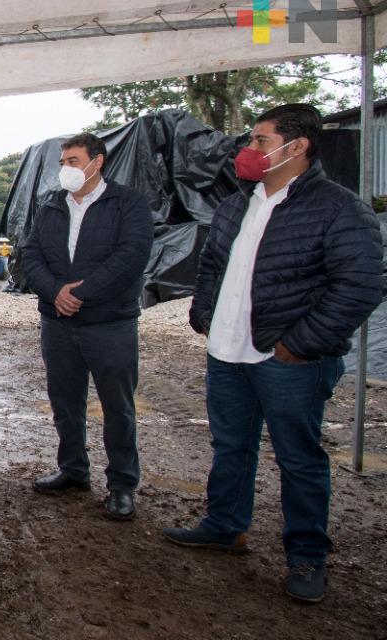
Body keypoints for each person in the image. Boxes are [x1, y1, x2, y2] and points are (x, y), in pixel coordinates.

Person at [162, 104, 384, 603]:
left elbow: (361, 285)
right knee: (230, 445)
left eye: (260, 142)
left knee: (299, 459)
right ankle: (225, 525)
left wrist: (299, 343)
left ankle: (306, 554)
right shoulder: (239, 203)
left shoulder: (338, 208)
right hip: (227, 353)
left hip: (290, 361)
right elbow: (212, 264)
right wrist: (204, 313)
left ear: (297, 146)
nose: (249, 152)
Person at [19, 132, 154, 521]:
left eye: (73, 161)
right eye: (62, 163)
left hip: (109, 325)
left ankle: (122, 484)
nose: (65, 169)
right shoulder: (51, 206)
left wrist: (83, 292)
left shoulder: (127, 204)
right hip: (58, 323)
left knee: (118, 408)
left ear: (97, 162)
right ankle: (73, 470)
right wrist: (56, 291)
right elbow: (31, 252)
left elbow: (131, 257)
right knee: (65, 402)